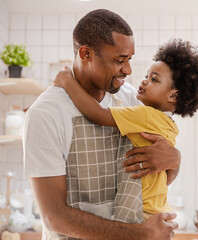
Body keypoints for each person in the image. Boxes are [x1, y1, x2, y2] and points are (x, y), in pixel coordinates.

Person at [23, 9, 180, 240]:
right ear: (86, 53)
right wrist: (140, 233)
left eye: (129, 59)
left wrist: (175, 159)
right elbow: (54, 217)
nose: (128, 70)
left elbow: (159, 177)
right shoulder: (46, 114)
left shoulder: (128, 98)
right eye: (119, 60)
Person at [53, 38, 198, 222]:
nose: (144, 81)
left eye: (154, 79)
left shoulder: (145, 115)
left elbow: (96, 113)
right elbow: (168, 176)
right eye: (147, 75)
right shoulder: (169, 125)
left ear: (173, 95)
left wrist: (67, 82)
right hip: (157, 208)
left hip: (139, 209)